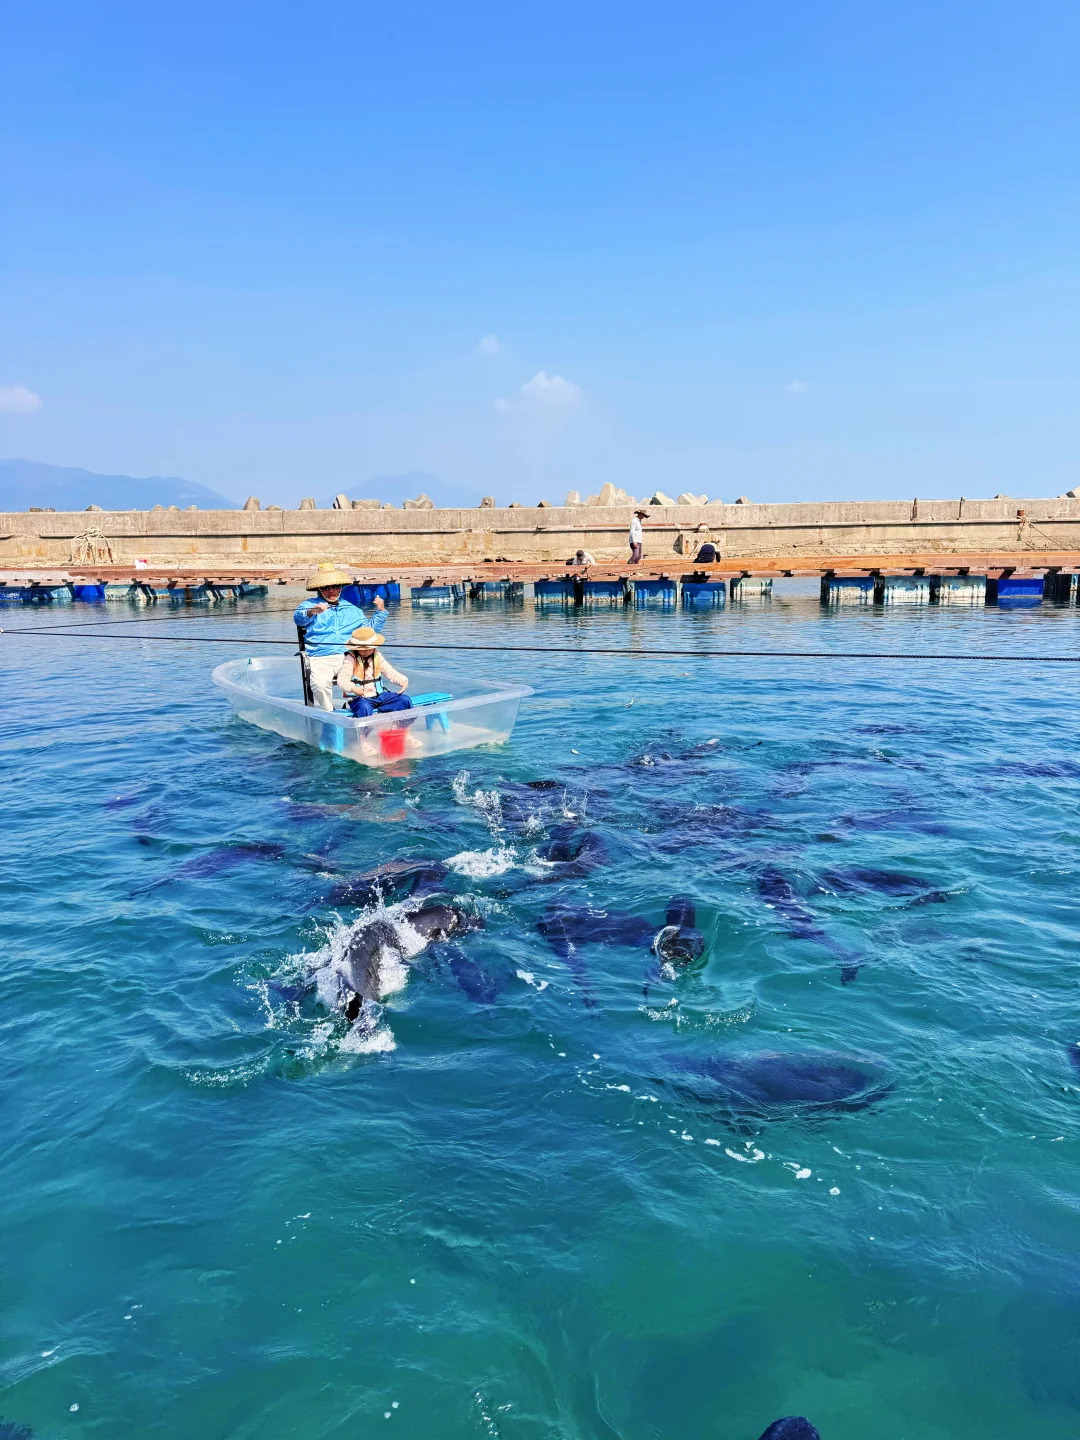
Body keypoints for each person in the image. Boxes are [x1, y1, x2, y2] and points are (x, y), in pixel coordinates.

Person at [293, 563, 386, 711]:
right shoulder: (309, 604)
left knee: (367, 681)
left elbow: (368, 633)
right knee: (320, 684)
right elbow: (299, 619)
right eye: (326, 588)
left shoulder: (352, 609)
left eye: (335, 586)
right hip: (320, 657)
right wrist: (312, 612)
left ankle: (354, 706)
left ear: (341, 587)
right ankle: (331, 713)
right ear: (319, 589)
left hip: (348, 656)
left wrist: (380, 611)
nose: (331, 591)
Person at [340, 626, 413, 719]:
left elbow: (391, 672)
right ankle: (363, 733)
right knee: (364, 707)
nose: (366, 651)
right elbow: (342, 680)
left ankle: (403, 731)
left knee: (405, 700)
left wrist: (403, 681)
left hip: (380, 696)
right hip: (359, 698)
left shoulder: (378, 656)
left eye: (369, 648)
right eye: (363, 648)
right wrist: (354, 689)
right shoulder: (350, 659)